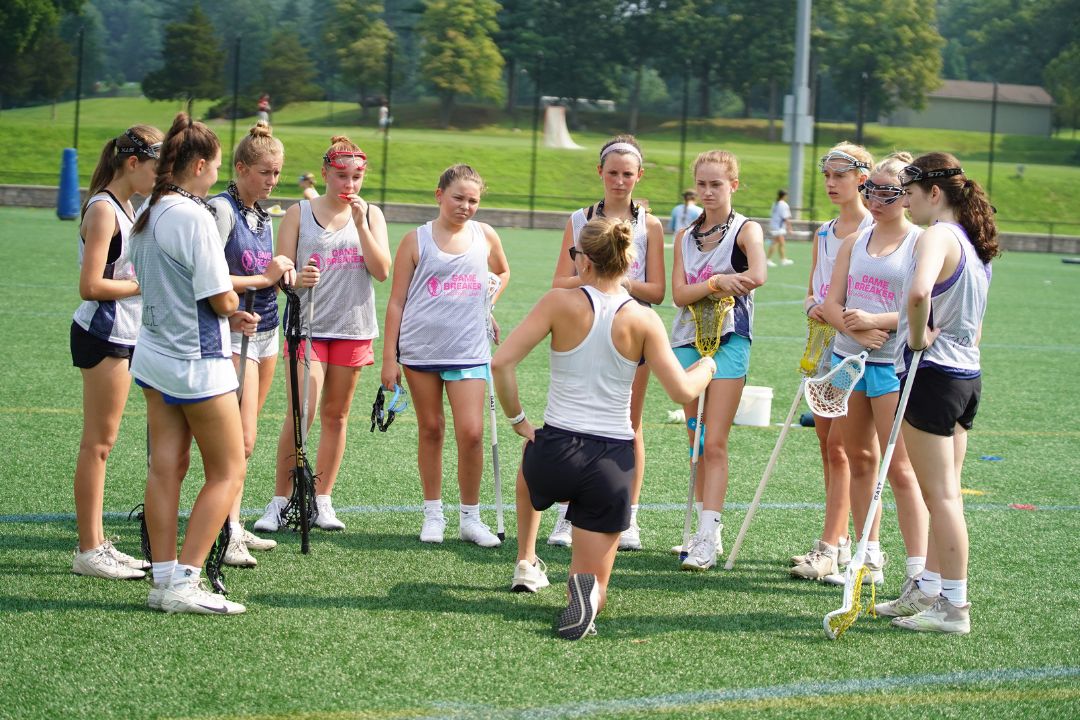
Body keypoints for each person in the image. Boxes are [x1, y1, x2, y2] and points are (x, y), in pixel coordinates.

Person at [494, 216, 715, 639]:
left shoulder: (558, 301)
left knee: (529, 454)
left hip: (554, 452)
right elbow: (683, 391)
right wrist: (707, 366)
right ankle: (587, 597)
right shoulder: (643, 319)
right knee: (596, 580)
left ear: (586, 262)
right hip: (611, 461)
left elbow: (501, 363)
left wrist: (518, 419)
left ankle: (527, 556)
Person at [129, 112, 258, 615]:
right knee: (227, 469)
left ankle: (164, 578)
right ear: (200, 165)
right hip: (196, 359)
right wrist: (238, 309)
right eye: (216, 167)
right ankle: (185, 581)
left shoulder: (149, 208)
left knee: (166, 467)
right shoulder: (193, 215)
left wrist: (228, 309)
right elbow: (217, 297)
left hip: (155, 353)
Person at [251, 136, 390, 534]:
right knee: (302, 413)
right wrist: (297, 279)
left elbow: (381, 271)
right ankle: (280, 500)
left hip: (353, 327)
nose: (349, 185)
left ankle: (322, 499)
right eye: (342, 176)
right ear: (326, 173)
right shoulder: (299, 212)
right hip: (307, 327)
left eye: (357, 177)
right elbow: (281, 273)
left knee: (337, 415)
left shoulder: (372, 215)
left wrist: (362, 224)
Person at [884, 153, 998, 634]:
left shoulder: (939, 235)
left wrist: (915, 338)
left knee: (943, 497)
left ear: (934, 193)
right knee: (943, 493)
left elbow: (917, 294)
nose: (904, 201)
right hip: (966, 377)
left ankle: (954, 606)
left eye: (909, 192)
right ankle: (930, 586)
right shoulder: (973, 242)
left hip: (935, 376)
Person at [811, 152, 929, 588]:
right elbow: (830, 304)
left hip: (891, 368)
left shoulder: (919, 243)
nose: (875, 199)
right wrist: (854, 330)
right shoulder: (853, 242)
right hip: (848, 362)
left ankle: (918, 570)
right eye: (870, 190)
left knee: (899, 469)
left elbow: (926, 312)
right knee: (859, 459)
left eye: (887, 191)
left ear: (908, 196)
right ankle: (868, 556)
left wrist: (878, 323)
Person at [381, 164, 511, 547]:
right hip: (420, 350)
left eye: (473, 200)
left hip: (469, 348)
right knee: (432, 429)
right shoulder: (415, 240)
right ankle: (433, 512)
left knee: (471, 434)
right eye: (458, 198)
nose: (466, 206)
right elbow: (396, 302)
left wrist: (487, 303)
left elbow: (501, 274)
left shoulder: (485, 235)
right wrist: (390, 358)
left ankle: (470, 517)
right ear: (440, 195)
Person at [549, 135, 666, 551]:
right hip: (584, 331)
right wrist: (593, 277)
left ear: (639, 176)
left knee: (628, 425)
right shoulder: (579, 220)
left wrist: (618, 279)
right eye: (612, 173)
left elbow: (657, 291)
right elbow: (560, 281)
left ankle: (628, 516)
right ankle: (568, 515)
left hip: (630, 334)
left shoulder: (649, 225)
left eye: (627, 174)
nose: (619, 181)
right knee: (575, 422)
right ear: (600, 172)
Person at [70, 124, 163, 580]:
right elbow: (90, 286)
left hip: (125, 333)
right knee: (98, 444)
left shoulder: (128, 205)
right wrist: (142, 286)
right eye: (154, 169)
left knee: (105, 443)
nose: (158, 178)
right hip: (103, 333)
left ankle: (98, 542)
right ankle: (89, 549)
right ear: (132, 163)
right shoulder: (106, 209)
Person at [670, 149, 767, 570]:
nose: (709, 192)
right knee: (696, 437)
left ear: (733, 186)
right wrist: (716, 282)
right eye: (703, 184)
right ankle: (700, 531)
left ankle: (709, 533)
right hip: (687, 340)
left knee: (716, 441)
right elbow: (679, 294)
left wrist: (724, 283)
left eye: (717, 184)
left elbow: (757, 275)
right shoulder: (684, 236)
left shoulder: (746, 231)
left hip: (729, 340)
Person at [207, 121, 294, 567]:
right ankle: (227, 527)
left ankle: (232, 522)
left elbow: (265, 274)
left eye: (277, 173)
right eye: (265, 172)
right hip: (232, 332)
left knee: (246, 437)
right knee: (237, 439)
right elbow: (209, 275)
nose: (272, 181)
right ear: (240, 168)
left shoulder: (262, 212)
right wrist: (264, 277)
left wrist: (285, 277)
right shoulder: (221, 210)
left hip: (266, 331)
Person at [790, 142, 874, 577]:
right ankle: (837, 539)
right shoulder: (825, 232)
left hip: (855, 352)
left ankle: (832, 545)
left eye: (839, 175)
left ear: (863, 178)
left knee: (843, 448)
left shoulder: (874, 232)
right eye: (826, 175)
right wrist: (814, 308)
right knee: (826, 445)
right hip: (822, 346)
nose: (830, 183)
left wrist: (839, 315)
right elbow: (812, 290)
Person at [766, 189, 795, 267]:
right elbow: (786, 218)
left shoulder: (775, 203)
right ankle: (768, 260)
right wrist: (790, 228)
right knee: (776, 243)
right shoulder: (784, 204)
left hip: (775, 226)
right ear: (784, 196)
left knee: (780, 243)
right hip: (778, 227)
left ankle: (783, 259)